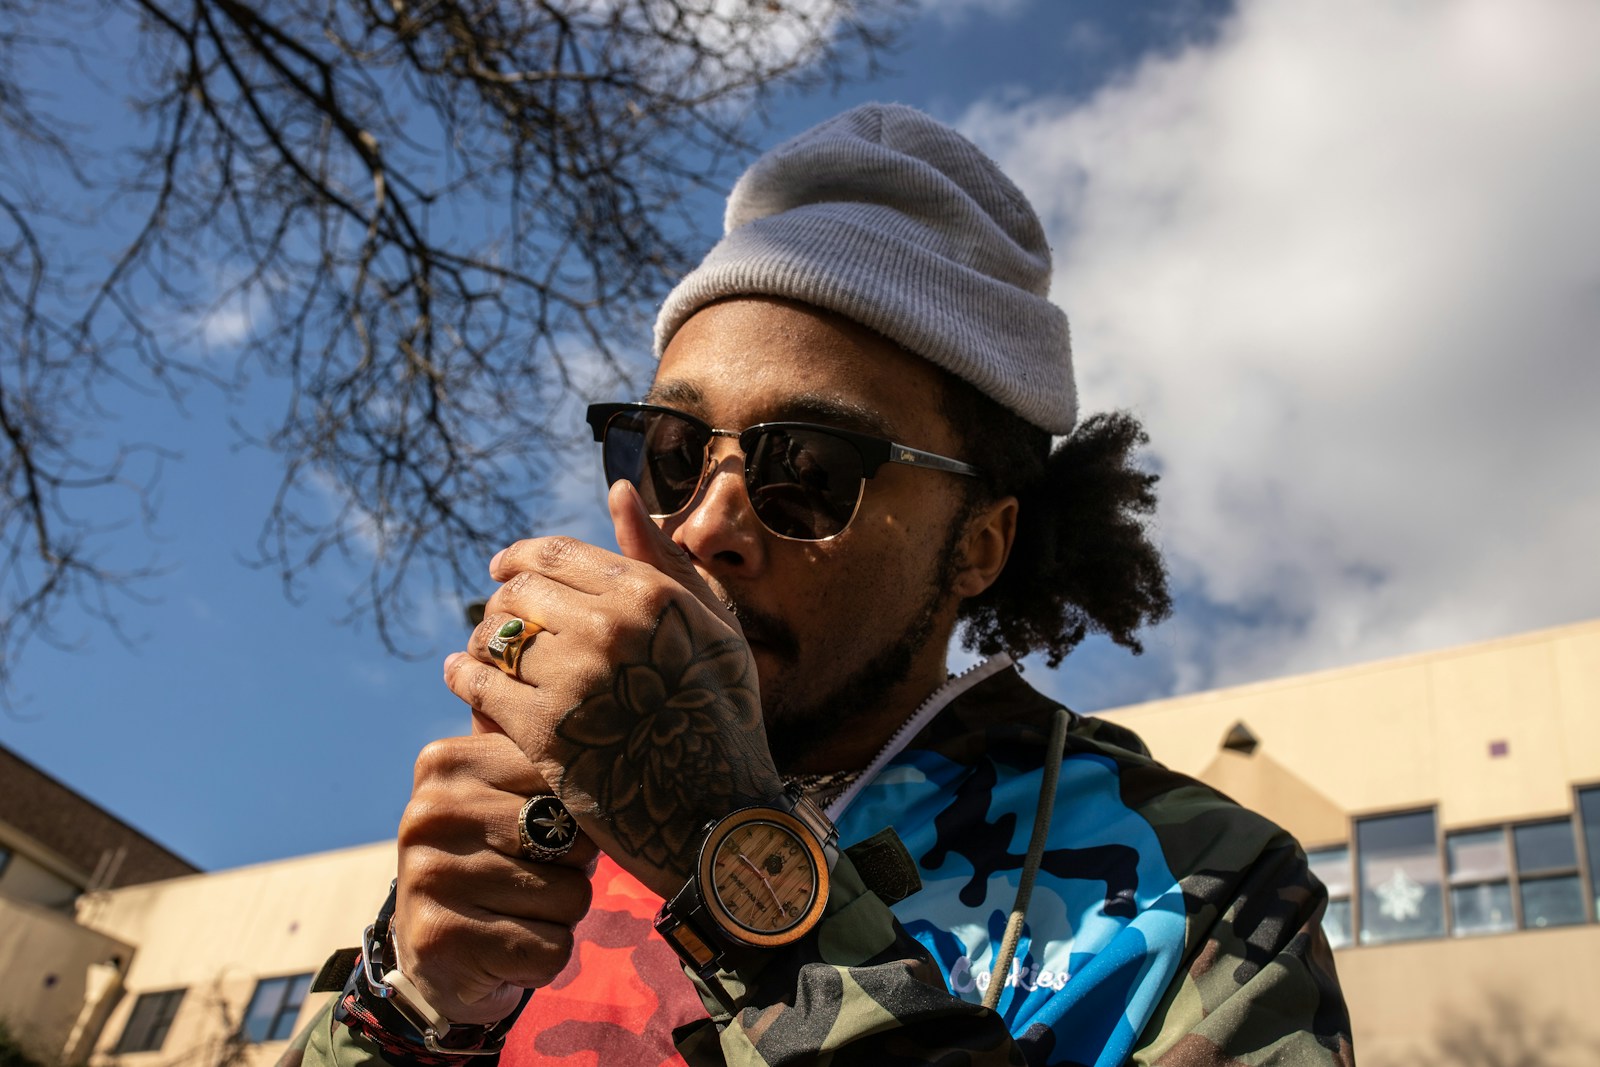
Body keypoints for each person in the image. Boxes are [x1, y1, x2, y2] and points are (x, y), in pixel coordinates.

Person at [287, 104, 1353, 1067]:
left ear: (980, 541)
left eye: (807, 468)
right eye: (670, 449)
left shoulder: (1201, 885)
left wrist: (733, 859)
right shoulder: (558, 818)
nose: (706, 523)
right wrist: (412, 1008)